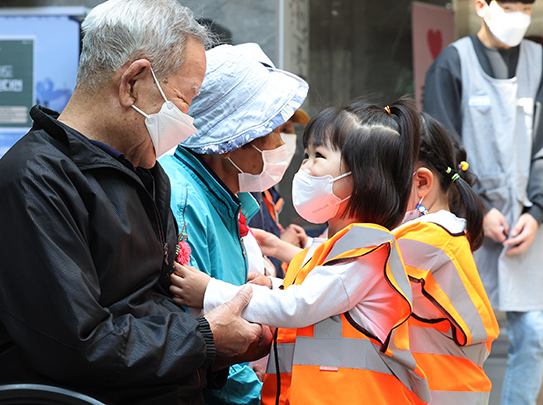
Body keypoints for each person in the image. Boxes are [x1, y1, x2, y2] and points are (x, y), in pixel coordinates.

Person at [0, 1, 272, 404]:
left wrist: (227, 323)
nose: (190, 121)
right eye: (185, 99)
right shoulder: (32, 184)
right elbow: (77, 346)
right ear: (132, 83)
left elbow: (155, 305)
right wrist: (207, 338)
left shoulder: (146, 174)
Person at [170, 99, 432, 404]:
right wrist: (274, 285)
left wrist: (211, 292)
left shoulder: (367, 249)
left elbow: (301, 305)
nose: (304, 166)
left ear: (366, 178)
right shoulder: (341, 246)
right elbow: (325, 297)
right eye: (307, 155)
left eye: (318, 156)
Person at [159, 42, 308, 405]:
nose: (281, 143)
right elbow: (202, 333)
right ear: (232, 139)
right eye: (273, 129)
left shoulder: (224, 197)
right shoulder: (184, 197)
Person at [423, 1, 543, 403]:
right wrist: (478, 206)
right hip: (470, 222)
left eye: (526, 6)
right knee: (460, 333)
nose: (518, 14)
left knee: (534, 336)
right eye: (508, 5)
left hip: (527, 224)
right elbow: (442, 151)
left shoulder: (539, 62)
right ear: (481, 6)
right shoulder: (451, 63)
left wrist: (537, 212)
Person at [394, 113, 500, 404]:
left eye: (380, 170)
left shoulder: (427, 237)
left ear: (422, 182)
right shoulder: (440, 231)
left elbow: (353, 277)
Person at [248, 109, 311, 277]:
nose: (281, 141)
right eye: (274, 129)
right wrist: (280, 246)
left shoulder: (268, 191)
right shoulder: (243, 189)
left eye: (286, 130)